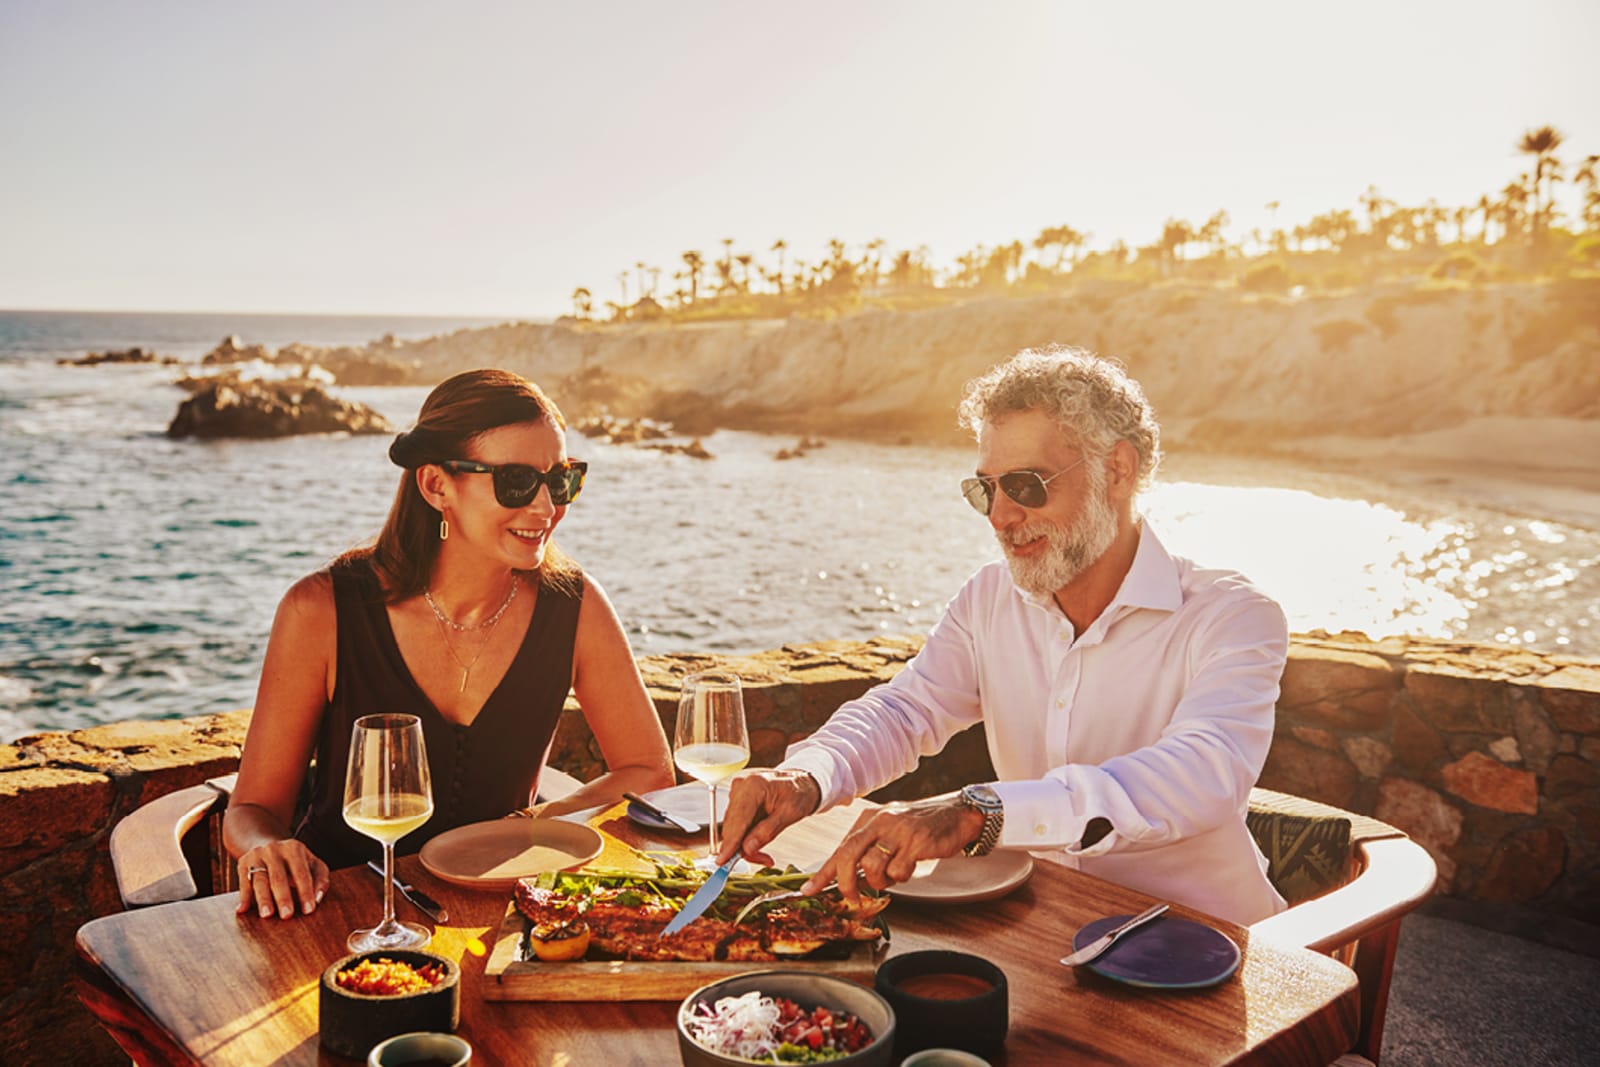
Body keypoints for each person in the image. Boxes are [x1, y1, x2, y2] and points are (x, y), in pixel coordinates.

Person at [717, 345, 1288, 925]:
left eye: (1027, 485)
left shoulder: (1231, 616)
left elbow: (1201, 772)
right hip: (1047, 932)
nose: (1000, 516)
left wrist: (978, 811)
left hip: (1212, 949)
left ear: (1117, 470)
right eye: (985, 489)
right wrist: (807, 776)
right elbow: (906, 710)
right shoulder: (989, 599)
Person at [225, 368, 674, 920]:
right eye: (515, 481)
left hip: (498, 915)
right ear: (437, 486)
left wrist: (542, 821)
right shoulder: (320, 611)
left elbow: (650, 771)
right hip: (339, 912)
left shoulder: (574, 606)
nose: (545, 508)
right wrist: (265, 849)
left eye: (560, 480)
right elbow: (250, 809)